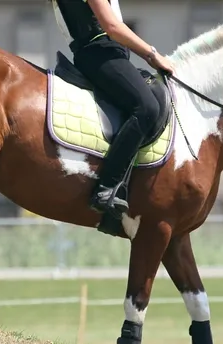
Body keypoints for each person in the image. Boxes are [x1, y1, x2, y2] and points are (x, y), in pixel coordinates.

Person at [52, 0, 177, 215]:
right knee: (146, 108)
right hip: (100, 53)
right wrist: (153, 55)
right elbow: (113, 27)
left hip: (109, 54)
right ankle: (108, 187)